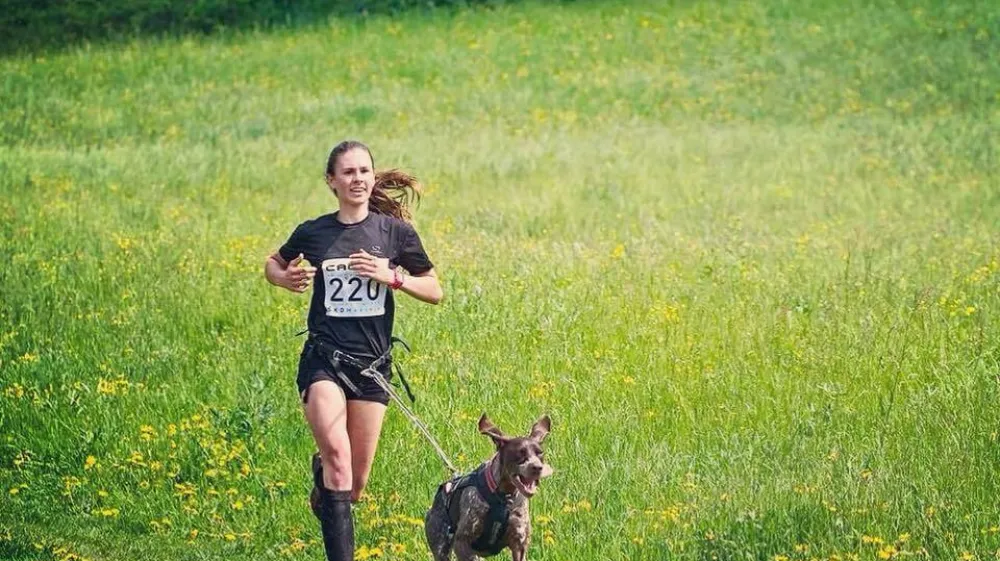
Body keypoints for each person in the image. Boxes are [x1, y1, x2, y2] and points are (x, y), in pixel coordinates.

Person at [265, 140, 443, 561]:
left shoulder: (395, 234)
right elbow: (273, 262)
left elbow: (435, 290)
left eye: (364, 171)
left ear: (373, 176)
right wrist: (283, 278)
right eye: (348, 172)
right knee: (339, 460)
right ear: (332, 181)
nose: (357, 179)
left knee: (354, 485)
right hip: (324, 360)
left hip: (372, 368)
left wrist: (393, 277)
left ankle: (323, 481)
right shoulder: (314, 231)